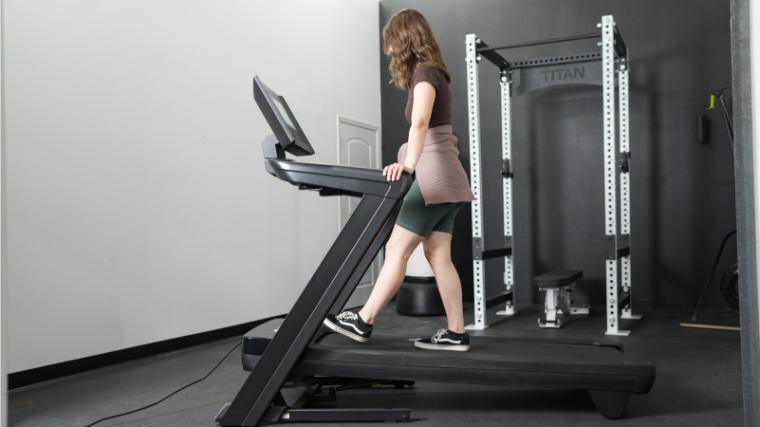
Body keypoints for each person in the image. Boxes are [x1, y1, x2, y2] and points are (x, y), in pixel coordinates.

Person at [323, 9, 475, 351]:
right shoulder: (437, 73)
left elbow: (420, 123)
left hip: (433, 177)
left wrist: (407, 165)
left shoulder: (424, 72)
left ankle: (364, 321)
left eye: (392, 42)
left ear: (405, 38)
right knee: (440, 257)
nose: (389, 50)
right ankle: (455, 332)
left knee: (396, 249)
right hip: (450, 180)